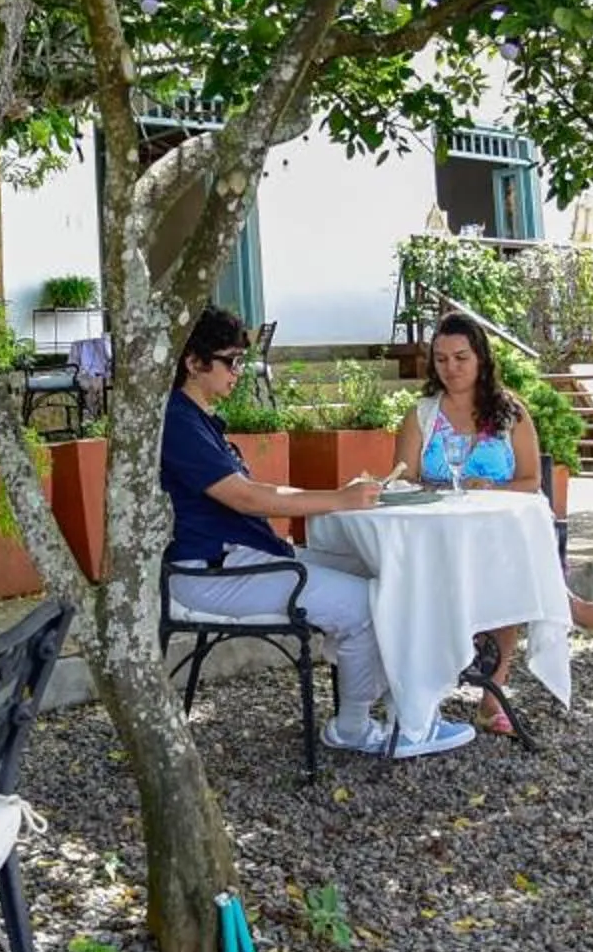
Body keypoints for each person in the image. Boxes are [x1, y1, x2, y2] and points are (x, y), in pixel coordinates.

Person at [160, 305, 474, 760]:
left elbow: (260, 492)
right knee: (366, 606)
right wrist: (339, 500)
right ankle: (353, 727)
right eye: (231, 361)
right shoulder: (180, 422)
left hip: (243, 556)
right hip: (211, 570)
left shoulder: (198, 420)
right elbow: (246, 498)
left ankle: (409, 710)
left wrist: (337, 494)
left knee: (386, 573)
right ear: (193, 362)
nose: (238, 372)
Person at [392, 313, 593, 735]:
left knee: (510, 564)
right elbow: (402, 481)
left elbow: (530, 480)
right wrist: (442, 486)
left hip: (495, 534)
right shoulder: (422, 415)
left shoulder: (509, 412)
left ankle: (492, 698)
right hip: (439, 540)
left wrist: (492, 487)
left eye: (461, 357)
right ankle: (571, 608)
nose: (451, 368)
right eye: (441, 359)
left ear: (481, 358)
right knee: (513, 565)